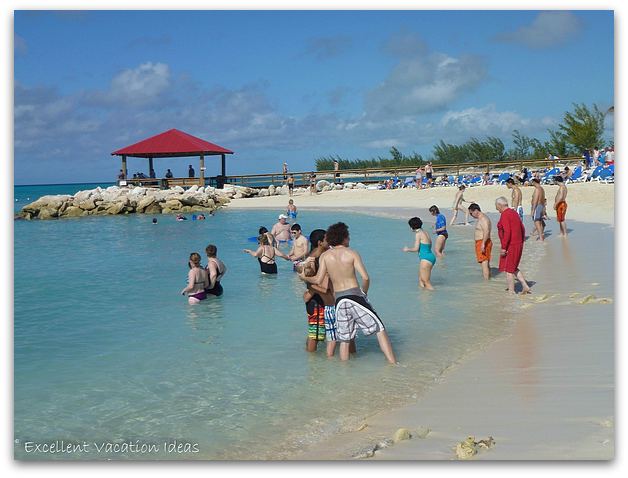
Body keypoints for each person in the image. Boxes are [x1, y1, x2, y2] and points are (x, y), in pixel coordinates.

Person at [299, 222, 397, 364]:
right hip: (354, 295)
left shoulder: (325, 256)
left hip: (339, 301)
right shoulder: (351, 253)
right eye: (348, 236)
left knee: (344, 338)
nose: (349, 239)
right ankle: (393, 362)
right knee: (380, 328)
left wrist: (303, 277)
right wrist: (364, 293)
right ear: (343, 237)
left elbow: (317, 279)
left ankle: (344, 369)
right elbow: (366, 277)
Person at [495, 197, 531, 294]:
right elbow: (522, 228)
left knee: (508, 269)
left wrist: (504, 247)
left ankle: (511, 292)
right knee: (513, 267)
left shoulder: (505, 214)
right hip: (518, 243)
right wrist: (521, 241)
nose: (496, 209)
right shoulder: (513, 212)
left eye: (496, 207)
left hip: (512, 245)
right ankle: (525, 286)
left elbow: (507, 232)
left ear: (500, 205)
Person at [402, 217, 435, 290]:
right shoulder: (425, 232)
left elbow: (416, 249)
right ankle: (424, 298)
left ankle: (436, 297)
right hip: (430, 256)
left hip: (425, 259)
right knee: (421, 280)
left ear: (412, 227)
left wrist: (407, 249)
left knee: (427, 282)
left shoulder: (418, 234)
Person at [468, 203, 492, 280]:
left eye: (471, 213)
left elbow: (486, 231)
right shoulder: (481, 218)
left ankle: (486, 282)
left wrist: (483, 244)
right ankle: (488, 280)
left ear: (476, 211)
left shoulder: (483, 219)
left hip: (483, 242)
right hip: (481, 242)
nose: (471, 215)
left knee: (484, 262)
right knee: (486, 262)